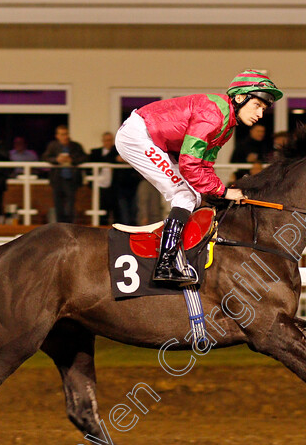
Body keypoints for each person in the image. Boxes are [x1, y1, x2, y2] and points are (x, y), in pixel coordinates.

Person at [115, 69, 283, 285]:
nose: (260, 114)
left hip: (154, 139)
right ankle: (164, 265)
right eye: (257, 105)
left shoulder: (227, 125)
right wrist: (223, 192)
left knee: (193, 196)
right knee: (184, 196)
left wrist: (217, 192)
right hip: (138, 136)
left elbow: (205, 166)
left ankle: (178, 256)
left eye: (264, 109)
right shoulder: (213, 115)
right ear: (240, 98)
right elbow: (189, 163)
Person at [43, 125, 88, 223]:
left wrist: (72, 160)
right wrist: (56, 160)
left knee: (70, 205)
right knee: (58, 205)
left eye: (66, 134)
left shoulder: (75, 146)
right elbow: (46, 157)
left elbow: (84, 157)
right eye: (62, 134)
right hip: (57, 179)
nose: (65, 136)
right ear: (57, 136)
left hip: (71, 179)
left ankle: (70, 226)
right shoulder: (53, 146)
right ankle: (60, 226)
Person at [89, 131, 128, 225]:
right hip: (99, 186)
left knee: (116, 210)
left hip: (114, 186)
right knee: (101, 208)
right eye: (106, 140)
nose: (108, 142)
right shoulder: (96, 152)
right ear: (102, 141)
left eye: (110, 140)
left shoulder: (118, 151)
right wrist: (114, 159)